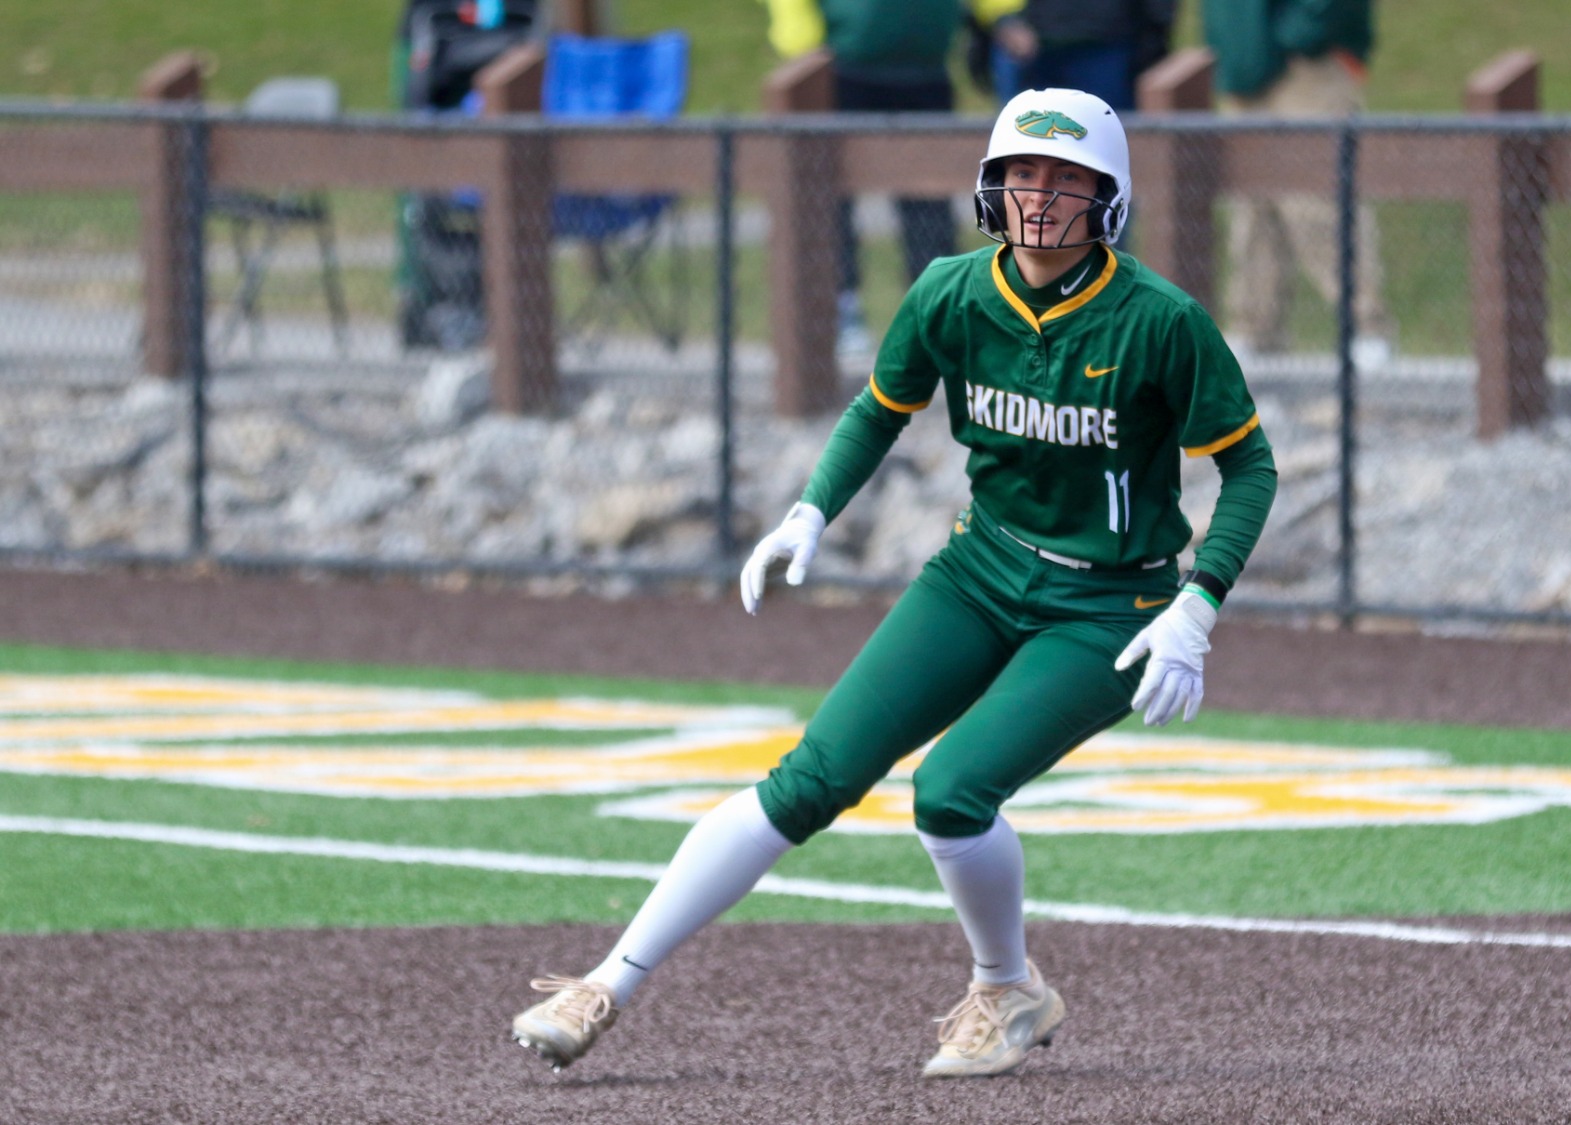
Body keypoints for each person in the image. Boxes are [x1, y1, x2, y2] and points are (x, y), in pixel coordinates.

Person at [508, 87, 1277, 1080]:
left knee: (950, 791)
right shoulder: (951, 291)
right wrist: (810, 509)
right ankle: (605, 982)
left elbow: (1249, 468)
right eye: (1023, 173)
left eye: (1066, 177)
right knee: (810, 777)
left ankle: (1005, 986)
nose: (1041, 196)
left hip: (1108, 606)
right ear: (990, 184)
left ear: (1110, 196)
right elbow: (880, 408)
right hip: (980, 567)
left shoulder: (1159, 321)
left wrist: (1198, 602)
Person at [767, 0, 967, 357]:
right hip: (843, 70)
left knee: (930, 200)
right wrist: (803, 44)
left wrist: (1002, 17)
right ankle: (841, 310)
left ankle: (936, 313)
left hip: (926, 70)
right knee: (831, 201)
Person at [1204, 0, 1394, 368]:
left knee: (1318, 203)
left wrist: (1300, 34)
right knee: (1252, 208)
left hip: (1309, 61)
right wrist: (1231, 47)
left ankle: (1366, 328)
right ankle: (1255, 331)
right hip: (1243, 63)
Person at [981, 0, 1179, 112]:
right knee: (1027, 141)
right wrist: (1006, 20)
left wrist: (1155, 28)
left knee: (1103, 138)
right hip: (1029, 48)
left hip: (1108, 43)